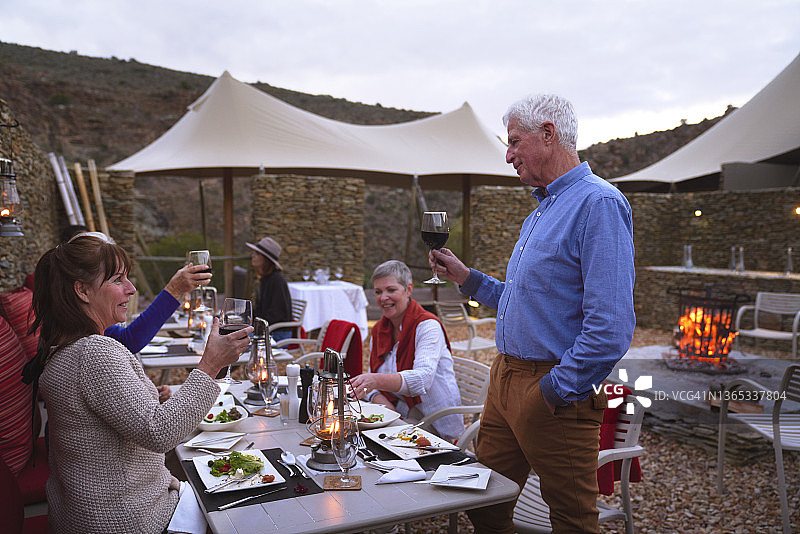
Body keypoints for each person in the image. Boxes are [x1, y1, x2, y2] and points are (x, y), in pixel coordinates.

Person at [430, 94, 635, 533]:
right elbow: (523, 303)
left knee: (571, 521)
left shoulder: (598, 204)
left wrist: (553, 391)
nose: (508, 155)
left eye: (514, 142)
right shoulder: (542, 208)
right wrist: (466, 278)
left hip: (551, 387)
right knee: (483, 503)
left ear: (548, 133)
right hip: (503, 378)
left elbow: (611, 327)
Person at [23, 234, 252, 534]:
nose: (131, 289)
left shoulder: (65, 350)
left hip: (83, 514)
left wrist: (149, 399)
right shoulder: (93, 353)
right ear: (82, 290)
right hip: (129, 520)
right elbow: (159, 432)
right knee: (246, 508)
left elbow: (115, 418)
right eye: (118, 279)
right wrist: (211, 364)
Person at [349, 260, 463, 442]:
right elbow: (373, 380)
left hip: (438, 423)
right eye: (378, 292)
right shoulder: (379, 329)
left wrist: (374, 381)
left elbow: (422, 379)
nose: (383, 297)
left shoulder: (428, 326)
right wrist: (384, 404)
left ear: (408, 289)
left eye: (391, 290)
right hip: (402, 417)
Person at [245, 236, 293, 342]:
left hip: (277, 333)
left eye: (257, 254)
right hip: (266, 329)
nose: (253, 256)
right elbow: (260, 310)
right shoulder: (266, 279)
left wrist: (251, 324)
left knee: (237, 340)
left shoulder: (276, 281)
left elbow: (276, 315)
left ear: (266, 259)